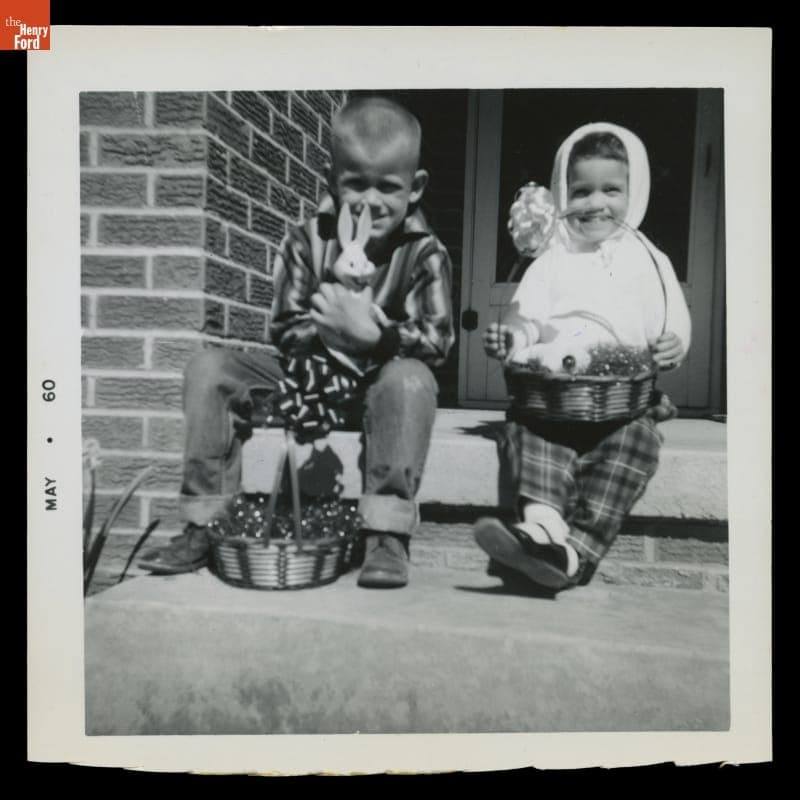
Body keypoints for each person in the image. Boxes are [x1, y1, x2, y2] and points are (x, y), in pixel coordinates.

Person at [138, 95, 455, 589]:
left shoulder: (425, 252)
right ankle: (205, 524)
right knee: (208, 368)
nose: (370, 201)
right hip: (307, 383)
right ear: (333, 180)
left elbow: (437, 342)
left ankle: (386, 534)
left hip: (378, 389)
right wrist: (331, 329)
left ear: (414, 188)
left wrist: (374, 336)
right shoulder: (306, 241)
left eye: (388, 188)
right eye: (356, 184)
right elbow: (284, 328)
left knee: (412, 380)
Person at [475, 122, 691, 593]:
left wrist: (673, 342)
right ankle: (541, 528)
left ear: (634, 194)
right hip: (553, 395)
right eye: (582, 191)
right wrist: (510, 337)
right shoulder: (553, 259)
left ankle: (574, 553)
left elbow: (672, 316)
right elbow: (525, 315)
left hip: (623, 402)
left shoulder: (647, 258)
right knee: (529, 431)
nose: (596, 203)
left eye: (611, 190)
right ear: (561, 193)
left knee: (635, 446)